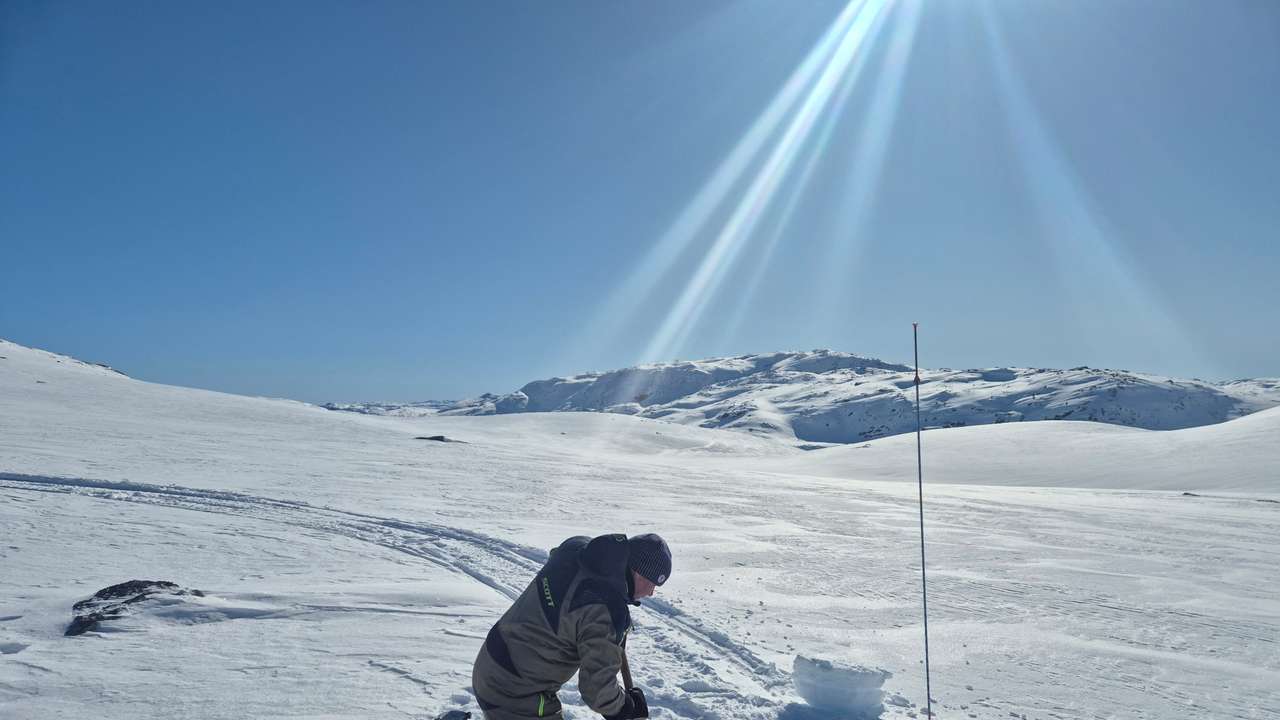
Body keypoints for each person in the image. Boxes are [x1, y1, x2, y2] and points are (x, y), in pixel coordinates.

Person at [472, 533, 672, 720]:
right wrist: (625, 708)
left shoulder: (576, 549)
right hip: (516, 692)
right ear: (639, 573)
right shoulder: (603, 610)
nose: (652, 593)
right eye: (654, 584)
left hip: (494, 658)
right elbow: (597, 690)